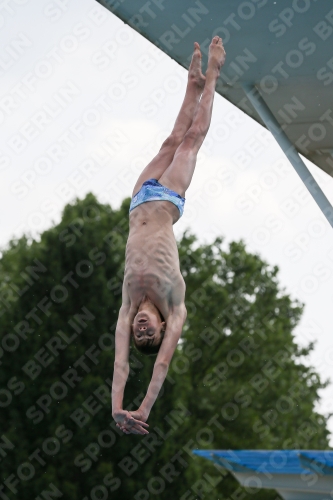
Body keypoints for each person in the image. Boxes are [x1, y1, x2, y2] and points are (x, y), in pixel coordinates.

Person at [112, 37, 226, 435]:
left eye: (138, 334)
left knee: (171, 139)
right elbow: (160, 364)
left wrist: (117, 410)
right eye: (150, 334)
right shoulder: (175, 307)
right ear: (162, 328)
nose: (141, 330)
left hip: (139, 197)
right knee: (193, 138)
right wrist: (143, 409)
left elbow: (121, 363)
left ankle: (191, 83)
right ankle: (213, 73)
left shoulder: (128, 307)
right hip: (168, 200)